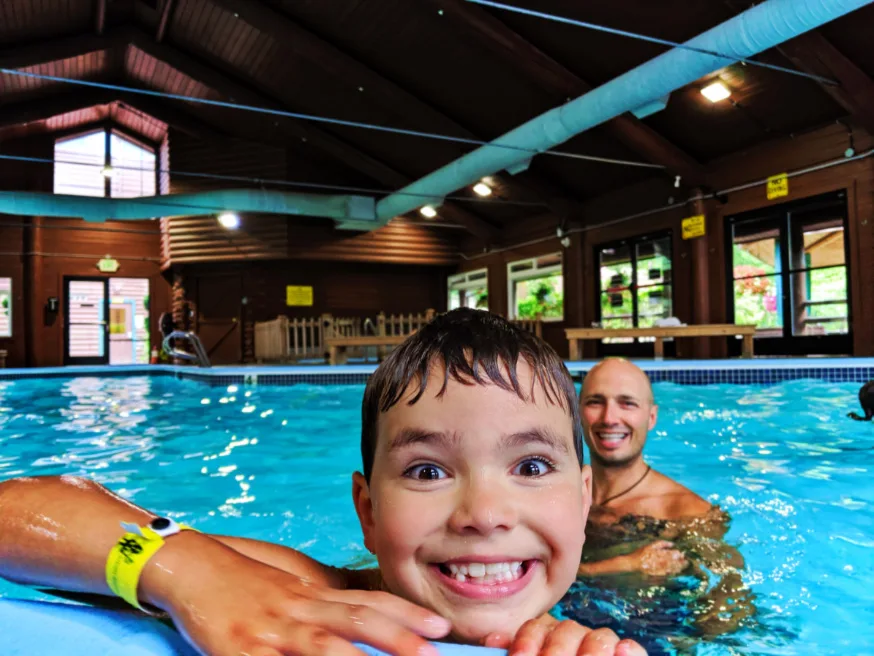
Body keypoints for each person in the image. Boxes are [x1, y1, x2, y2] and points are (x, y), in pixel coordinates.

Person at [0, 309, 645, 656]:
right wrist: (185, 570)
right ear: (366, 509)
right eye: (427, 471)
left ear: (585, 496)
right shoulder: (312, 592)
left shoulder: (595, 630)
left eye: (531, 468)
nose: (484, 513)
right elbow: (19, 510)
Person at [573, 358, 753, 641]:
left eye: (627, 403)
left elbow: (730, 601)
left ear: (652, 417)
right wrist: (622, 566)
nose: (609, 418)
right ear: (577, 413)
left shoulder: (688, 512)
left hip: (653, 634)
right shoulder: (556, 494)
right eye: (595, 402)